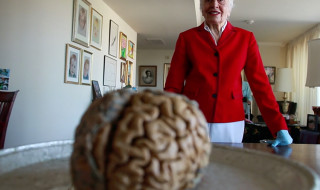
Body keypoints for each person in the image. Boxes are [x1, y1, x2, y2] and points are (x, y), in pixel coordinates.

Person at [164, 0, 292, 147]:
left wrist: (279, 126)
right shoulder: (186, 38)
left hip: (231, 121)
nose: (214, 4)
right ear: (201, 7)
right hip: (192, 118)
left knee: (229, 165)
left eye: (221, 0)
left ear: (230, 8)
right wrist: (166, 119)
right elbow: (173, 85)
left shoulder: (246, 38)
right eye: (208, 0)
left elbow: (260, 85)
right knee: (192, 166)